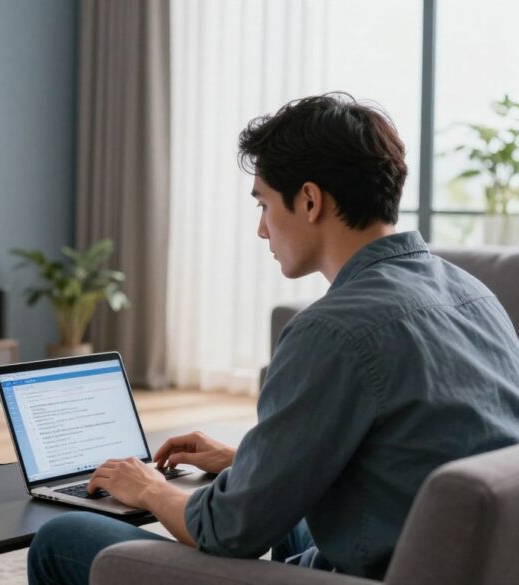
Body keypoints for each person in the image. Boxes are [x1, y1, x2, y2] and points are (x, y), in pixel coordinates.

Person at [28, 93, 519, 584]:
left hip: (374, 573)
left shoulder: (331, 330)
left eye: (263, 204)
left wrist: (150, 488)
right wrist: (247, 462)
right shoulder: (472, 293)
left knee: (62, 540)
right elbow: (407, 453)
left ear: (309, 200)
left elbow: (227, 532)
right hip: (450, 559)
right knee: (288, 512)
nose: (262, 229)